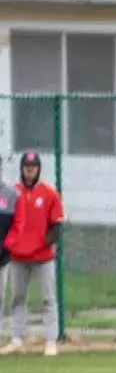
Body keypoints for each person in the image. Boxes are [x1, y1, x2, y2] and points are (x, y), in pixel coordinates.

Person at [2, 151, 64, 356]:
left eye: (33, 168)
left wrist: (42, 244)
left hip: (42, 257)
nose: (30, 172)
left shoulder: (49, 193)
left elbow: (56, 225)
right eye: (27, 168)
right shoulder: (13, 193)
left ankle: (51, 340)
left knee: (48, 299)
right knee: (18, 298)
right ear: (22, 169)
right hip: (18, 257)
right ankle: (17, 338)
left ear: (38, 169)